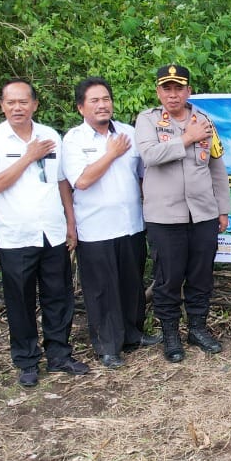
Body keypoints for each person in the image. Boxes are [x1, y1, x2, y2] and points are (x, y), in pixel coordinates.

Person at [0, 79, 90, 388]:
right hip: (16, 234)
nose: (17, 107)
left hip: (51, 231)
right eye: (11, 102)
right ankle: (26, 360)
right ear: (2, 106)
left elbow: (62, 181)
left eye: (23, 102)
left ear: (35, 105)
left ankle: (59, 354)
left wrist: (70, 222)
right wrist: (27, 156)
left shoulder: (50, 136)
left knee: (58, 295)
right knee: (21, 300)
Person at [135, 64, 230, 363]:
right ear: (158, 91)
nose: (173, 94)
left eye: (179, 88)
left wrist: (222, 209)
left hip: (202, 213)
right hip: (165, 216)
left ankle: (198, 328)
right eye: (167, 88)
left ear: (189, 91)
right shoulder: (148, 120)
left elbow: (216, 166)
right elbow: (149, 155)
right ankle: (171, 333)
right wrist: (186, 139)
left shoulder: (204, 121)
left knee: (202, 276)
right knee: (169, 278)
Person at [61, 77, 156, 369]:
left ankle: (132, 335)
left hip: (131, 224)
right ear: (81, 108)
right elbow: (83, 180)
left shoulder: (129, 133)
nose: (102, 105)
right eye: (94, 101)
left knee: (131, 283)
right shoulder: (74, 139)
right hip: (95, 228)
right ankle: (107, 346)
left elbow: (143, 176)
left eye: (106, 99)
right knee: (102, 289)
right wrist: (111, 153)